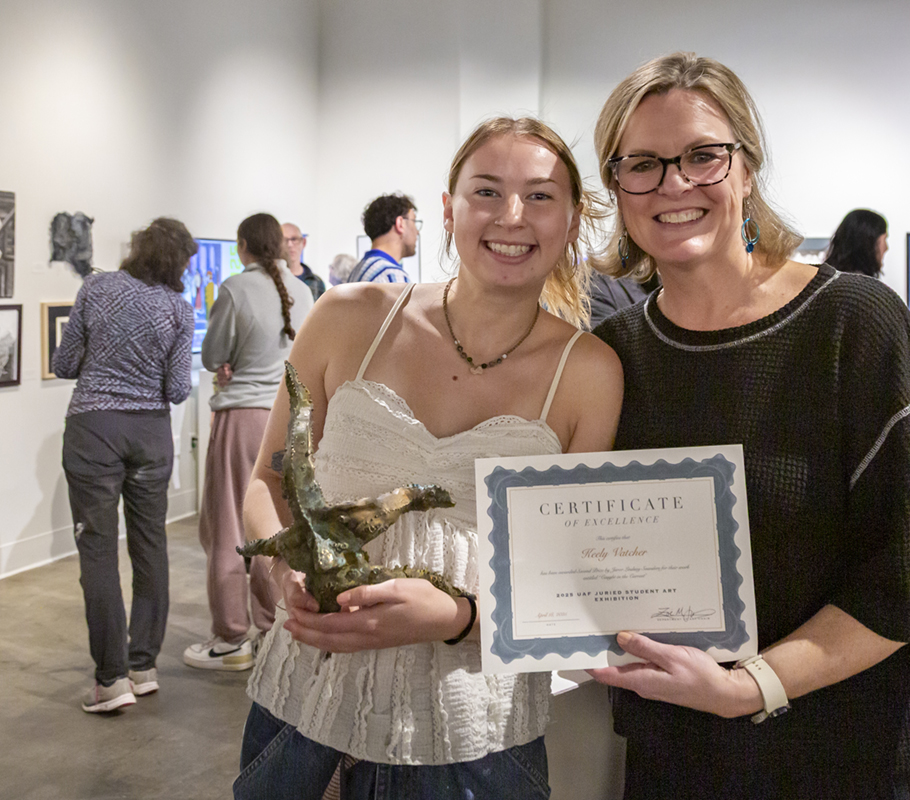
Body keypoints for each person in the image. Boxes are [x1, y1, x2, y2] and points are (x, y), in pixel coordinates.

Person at [588, 52, 910, 798]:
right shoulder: (616, 356)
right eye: (644, 164)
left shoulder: (851, 321)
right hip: (686, 760)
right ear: (617, 186)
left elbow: (908, 571)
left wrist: (748, 685)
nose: (674, 184)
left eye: (703, 156)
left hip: (857, 755)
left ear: (748, 169)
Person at [234, 117, 622, 799]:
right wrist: (281, 565)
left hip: (474, 733)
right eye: (486, 191)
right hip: (302, 703)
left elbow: (573, 584)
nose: (511, 216)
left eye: (539, 196)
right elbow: (268, 480)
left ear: (571, 220)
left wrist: (456, 617)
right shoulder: (348, 316)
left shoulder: (588, 371)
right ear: (446, 210)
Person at [52, 217, 196, 712]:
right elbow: (177, 389)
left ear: (137, 249)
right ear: (180, 261)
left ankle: (110, 681)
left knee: (97, 550)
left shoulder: (97, 287)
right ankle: (143, 665)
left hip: (95, 429)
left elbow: (65, 364)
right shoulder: (178, 307)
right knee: (150, 546)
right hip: (151, 435)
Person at [184, 213, 315, 672]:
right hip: (288, 420)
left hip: (241, 418)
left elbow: (213, 354)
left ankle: (230, 636)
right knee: (273, 526)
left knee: (226, 528)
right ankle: (270, 627)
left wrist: (226, 366)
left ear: (243, 246)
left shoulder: (237, 288)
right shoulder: (302, 290)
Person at [346, 193, 419, 284]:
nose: (417, 232)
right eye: (414, 221)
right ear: (400, 224)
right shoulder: (391, 275)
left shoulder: (356, 272)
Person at [826, 207, 888, 278]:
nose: (886, 247)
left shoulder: (824, 278)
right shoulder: (863, 286)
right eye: (884, 239)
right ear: (869, 243)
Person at [282, 223, 326, 301]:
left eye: (294, 239)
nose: (290, 244)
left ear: (303, 242)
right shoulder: (270, 279)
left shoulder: (316, 283)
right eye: (284, 240)